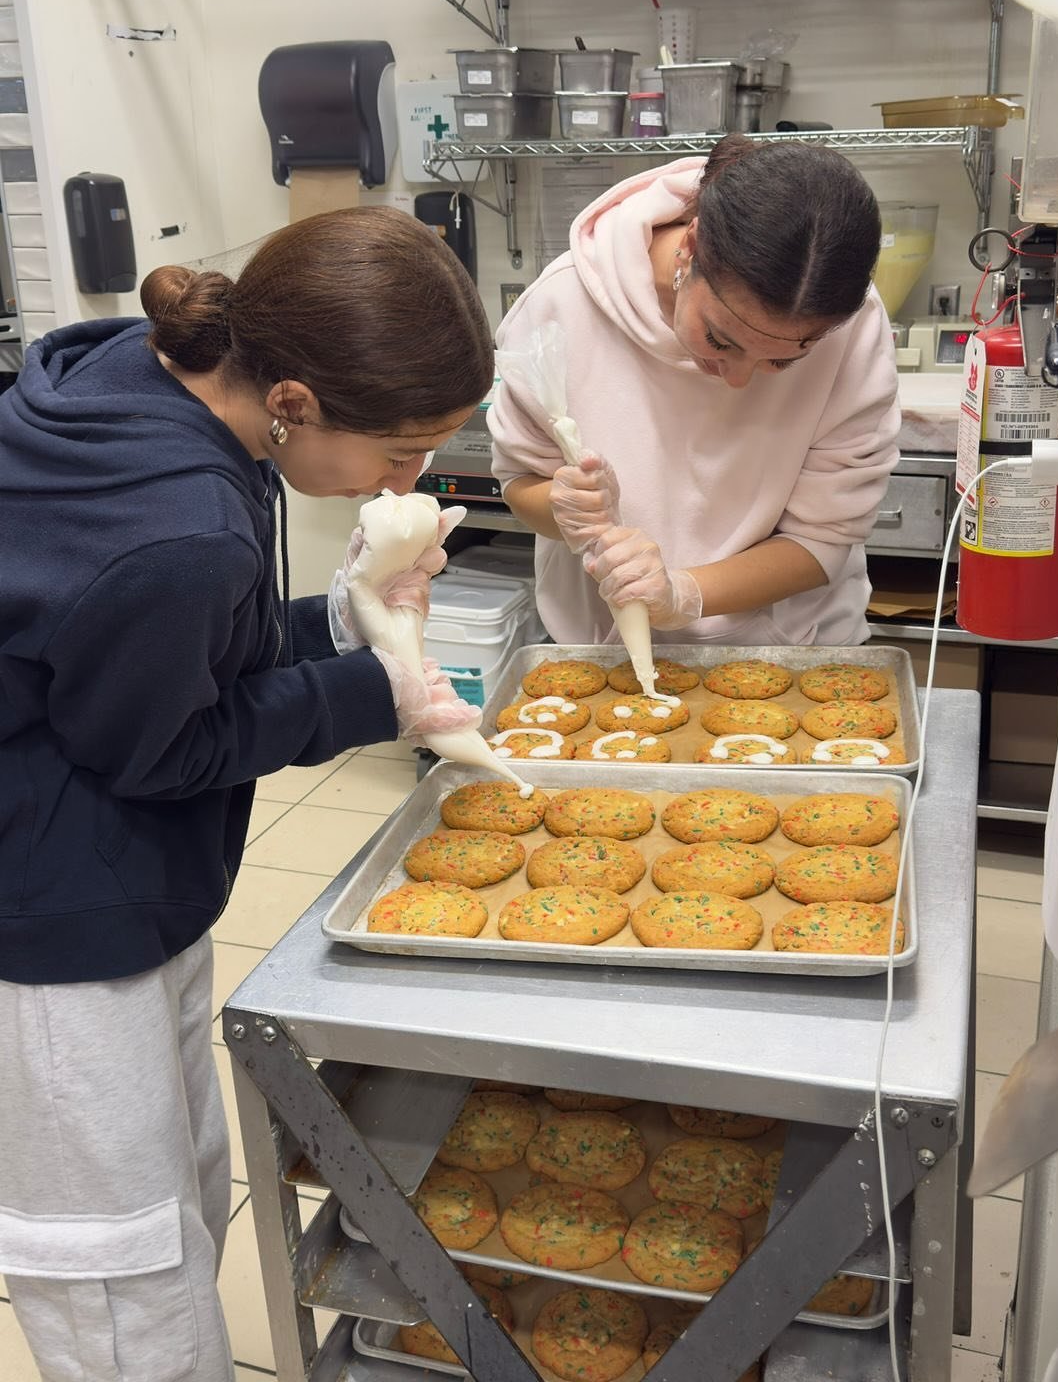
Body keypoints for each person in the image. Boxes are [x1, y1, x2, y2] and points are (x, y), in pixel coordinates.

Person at [0, 207, 490, 1380]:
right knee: (119, 1264)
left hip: (120, 869)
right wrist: (378, 693)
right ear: (298, 403)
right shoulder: (181, 530)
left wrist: (342, 622)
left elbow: (175, 648)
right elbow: (159, 745)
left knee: (181, 1173)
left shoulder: (150, 371)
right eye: (401, 450)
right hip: (56, 917)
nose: (408, 479)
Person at [489, 136, 901, 647]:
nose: (738, 379)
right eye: (720, 340)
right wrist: (564, 507)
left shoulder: (852, 324)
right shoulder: (562, 306)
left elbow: (823, 537)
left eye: (783, 359)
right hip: (603, 652)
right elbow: (520, 480)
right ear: (690, 246)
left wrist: (684, 594)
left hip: (794, 649)